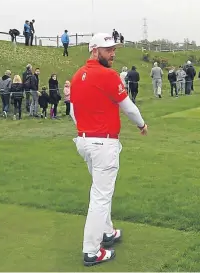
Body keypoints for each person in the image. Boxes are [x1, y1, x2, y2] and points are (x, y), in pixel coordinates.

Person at [69, 32, 148, 266]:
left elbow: (73, 112)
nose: (112, 53)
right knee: (101, 197)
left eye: (113, 49)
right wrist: (141, 124)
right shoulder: (108, 75)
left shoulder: (76, 76)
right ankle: (92, 250)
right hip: (103, 143)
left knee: (100, 190)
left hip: (85, 141)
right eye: (107, 50)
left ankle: (107, 232)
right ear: (95, 51)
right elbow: (128, 107)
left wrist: (85, 129)